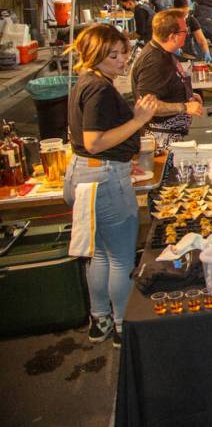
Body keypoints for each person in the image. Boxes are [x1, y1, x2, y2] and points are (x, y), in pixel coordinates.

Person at [65, 25, 158, 348]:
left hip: (86, 174)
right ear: (95, 55)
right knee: (120, 258)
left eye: (124, 52)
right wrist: (138, 119)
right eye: (114, 55)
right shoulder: (100, 89)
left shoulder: (86, 82)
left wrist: (121, 156)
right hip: (103, 178)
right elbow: (94, 141)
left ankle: (100, 318)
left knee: (101, 254)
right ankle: (122, 325)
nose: (123, 60)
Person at [130, 9, 204, 148]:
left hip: (173, 135)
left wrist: (187, 94)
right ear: (173, 36)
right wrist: (184, 107)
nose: (187, 34)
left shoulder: (164, 53)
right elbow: (147, 105)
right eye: (184, 31)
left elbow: (163, 88)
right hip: (161, 140)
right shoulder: (154, 61)